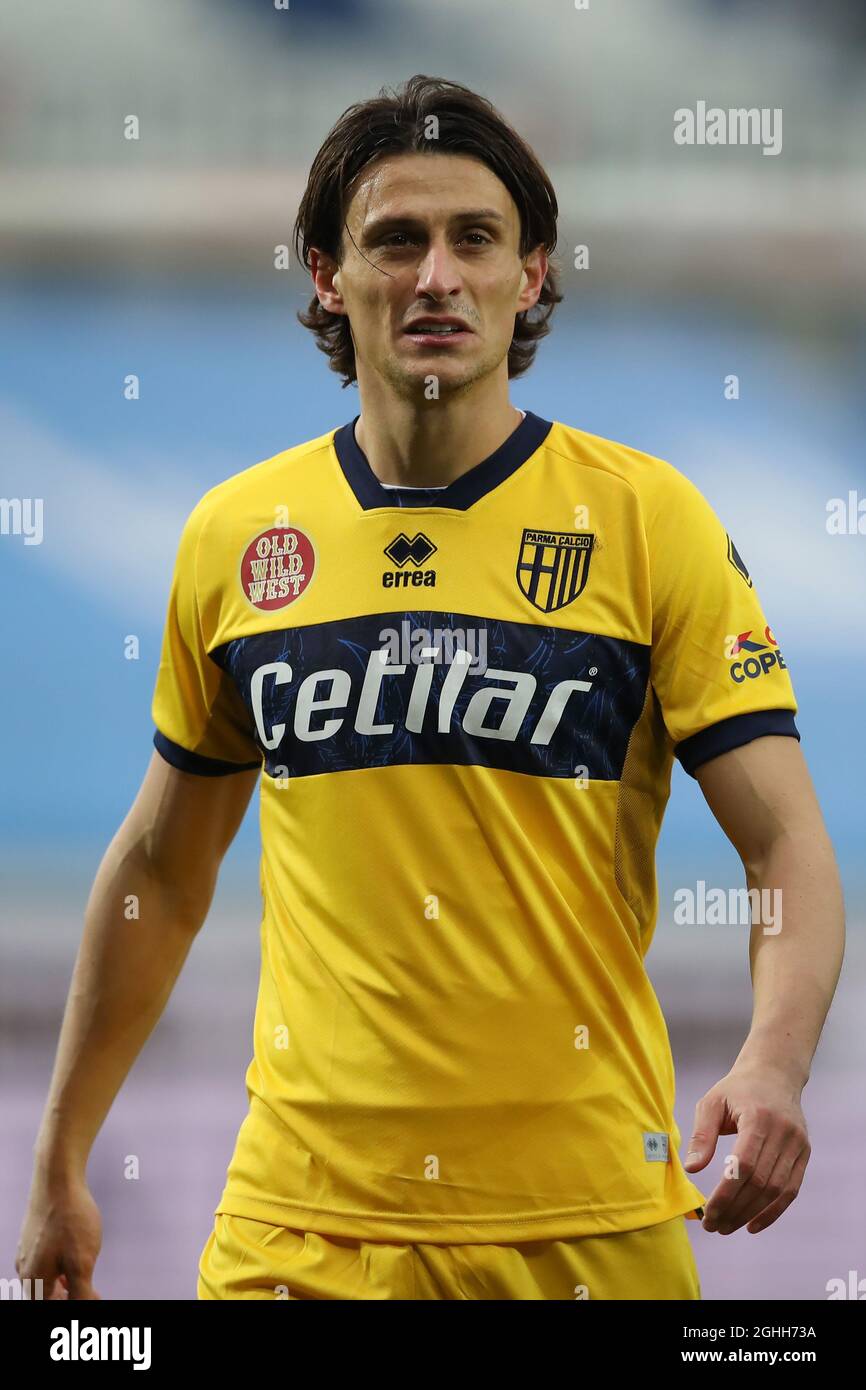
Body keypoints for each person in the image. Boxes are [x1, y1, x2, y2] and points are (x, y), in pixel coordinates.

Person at [17, 74, 844, 1302]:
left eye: (475, 239)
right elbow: (158, 870)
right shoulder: (235, 537)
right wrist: (57, 1158)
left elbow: (783, 844)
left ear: (534, 275)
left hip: (584, 1222)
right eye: (393, 240)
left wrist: (772, 1063)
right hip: (297, 1229)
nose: (435, 276)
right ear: (322, 276)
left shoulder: (645, 521)